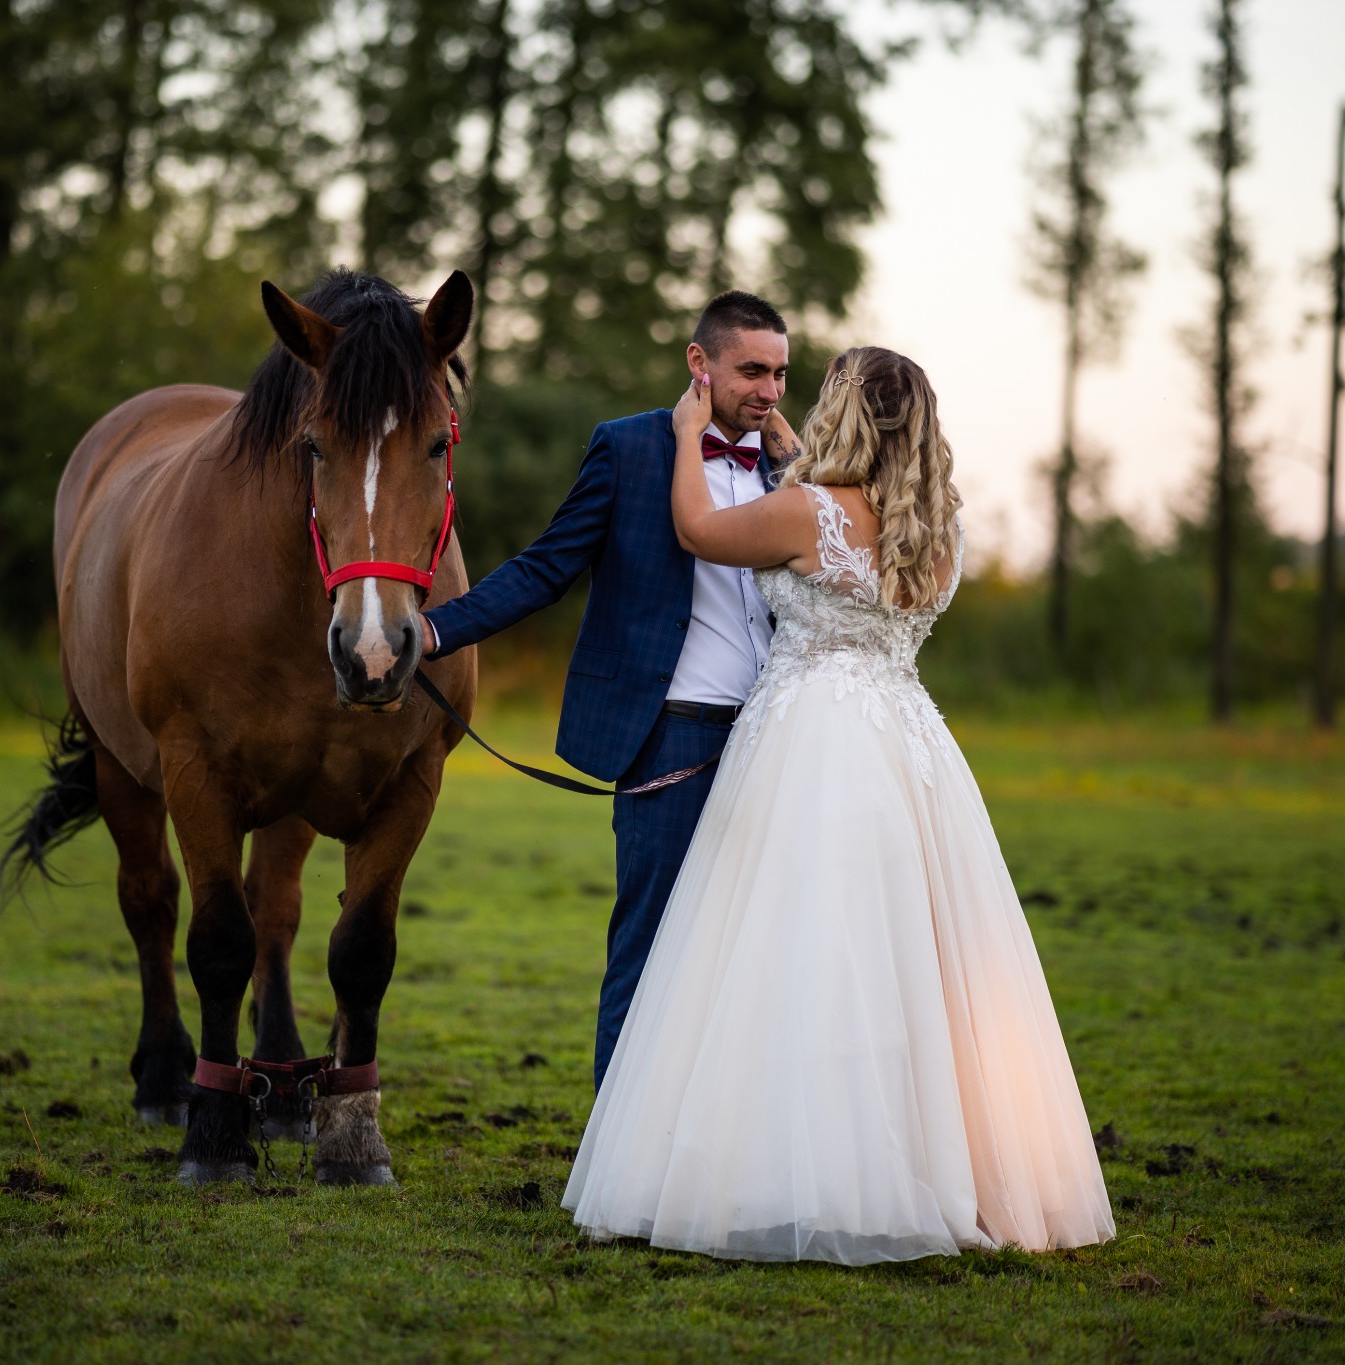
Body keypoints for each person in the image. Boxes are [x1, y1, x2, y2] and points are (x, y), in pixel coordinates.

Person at [561, 348, 1117, 1264]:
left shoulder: (800, 512)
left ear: (845, 413)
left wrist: (694, 437)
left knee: (790, 950)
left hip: (808, 739)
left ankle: (790, 1167)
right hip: (908, 745)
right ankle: (919, 1164)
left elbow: (699, 528)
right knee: (902, 957)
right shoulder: (941, 531)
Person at [421, 291, 792, 1090]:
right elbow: (547, 566)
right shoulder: (627, 449)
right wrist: (436, 630)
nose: (768, 390)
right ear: (700, 363)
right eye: (752, 370)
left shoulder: (796, 470)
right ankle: (615, 1173)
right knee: (650, 951)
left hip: (779, 740)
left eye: (781, 374)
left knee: (757, 955)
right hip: (671, 733)